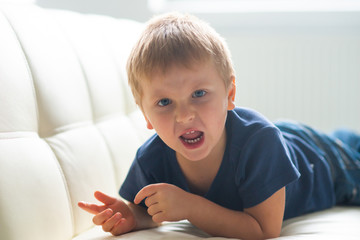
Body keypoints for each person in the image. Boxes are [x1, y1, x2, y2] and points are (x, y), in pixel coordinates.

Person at [78, 12, 360, 239]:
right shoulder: (151, 158)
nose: (184, 116)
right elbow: (149, 211)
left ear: (229, 95)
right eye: (164, 102)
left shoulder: (260, 143)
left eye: (198, 94)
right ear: (146, 115)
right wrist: (130, 217)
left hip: (323, 162)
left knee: (350, 150)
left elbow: (264, 229)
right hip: (283, 139)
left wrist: (189, 206)